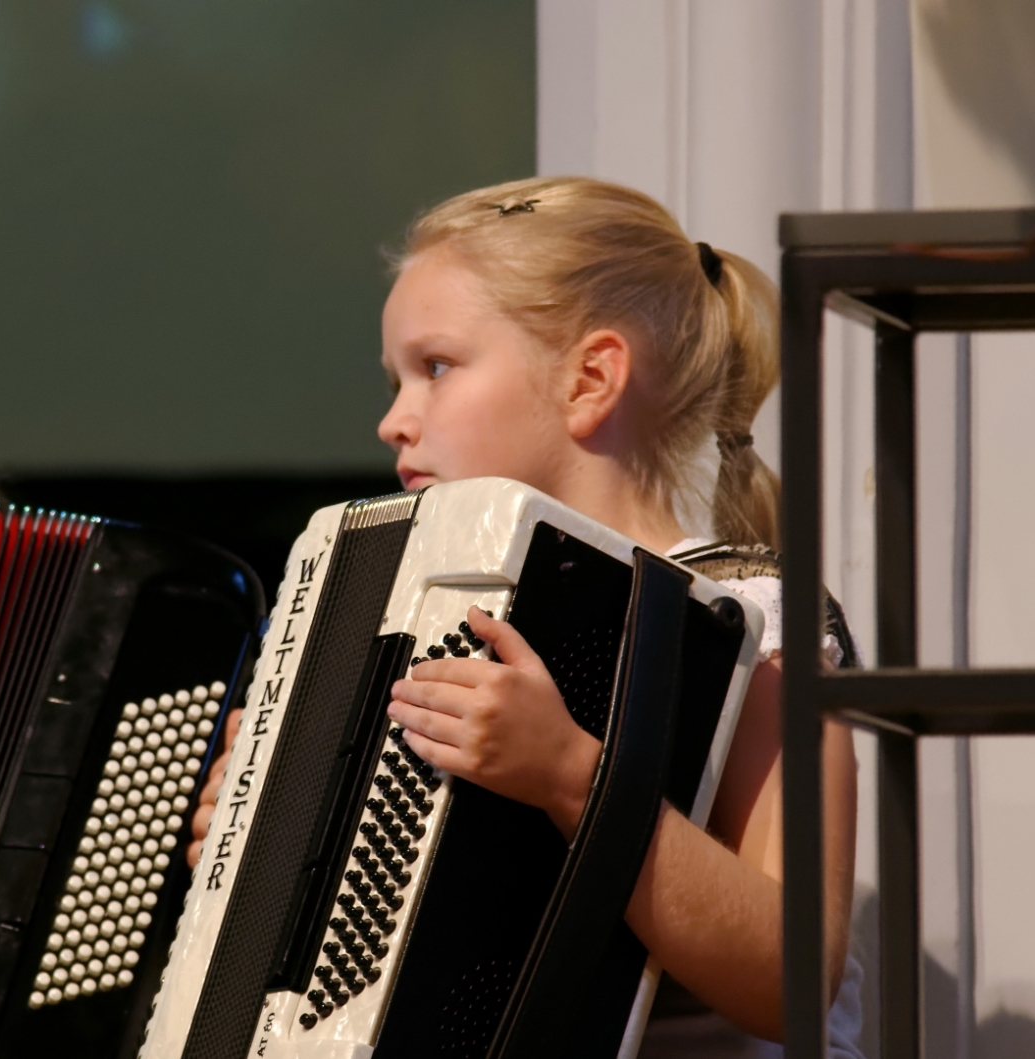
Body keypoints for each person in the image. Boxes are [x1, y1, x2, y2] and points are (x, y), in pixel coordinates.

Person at [191, 176, 862, 1056]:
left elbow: (791, 979)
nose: (394, 419)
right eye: (395, 379)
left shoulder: (755, 618)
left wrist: (570, 776)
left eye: (436, 367)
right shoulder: (419, 612)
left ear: (591, 379)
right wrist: (255, 834)